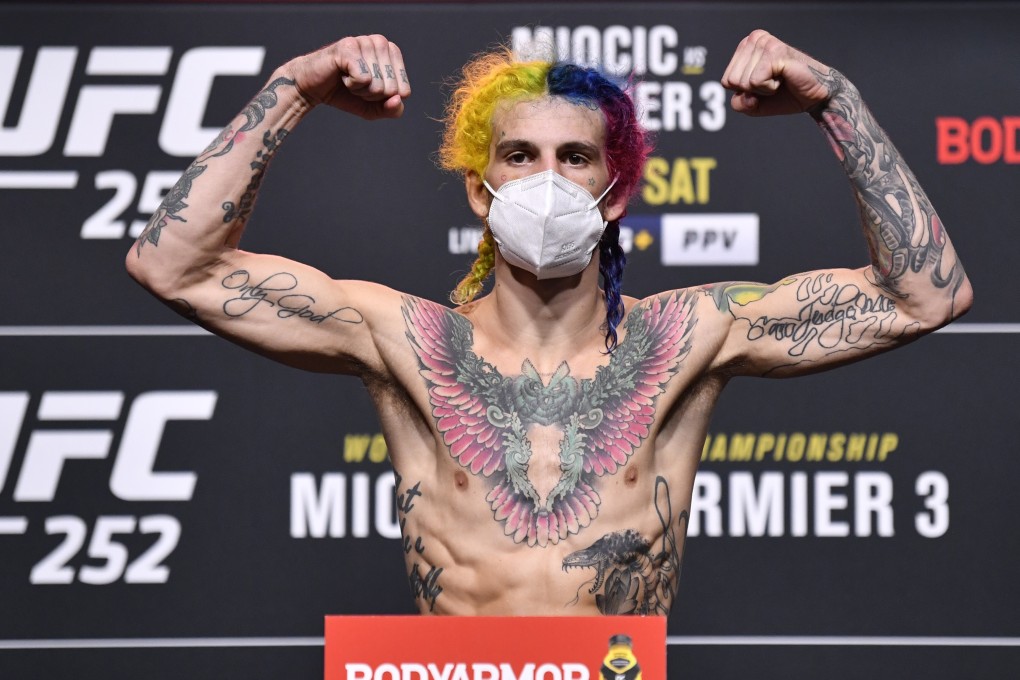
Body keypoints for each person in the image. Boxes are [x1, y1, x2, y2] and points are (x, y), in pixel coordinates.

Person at [125, 30, 971, 616]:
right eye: (519, 157)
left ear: (617, 191)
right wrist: (294, 88)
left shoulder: (688, 337)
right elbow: (176, 265)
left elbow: (924, 294)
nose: (547, 181)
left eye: (575, 159)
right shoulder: (406, 339)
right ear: (476, 187)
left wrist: (836, 100)